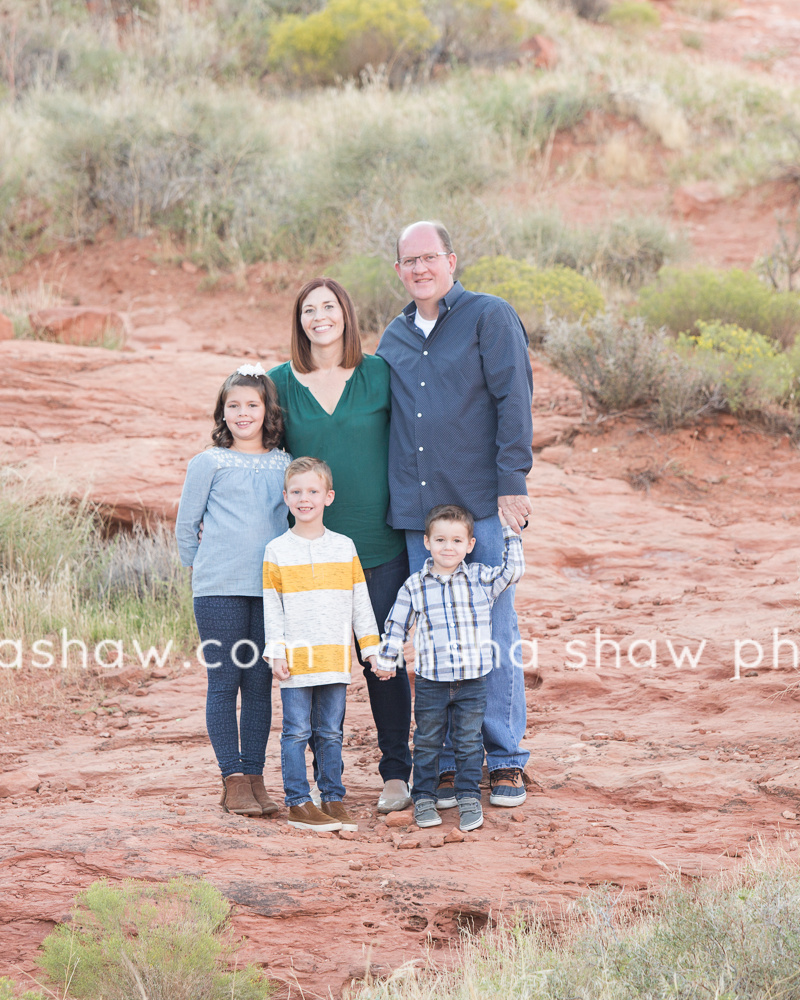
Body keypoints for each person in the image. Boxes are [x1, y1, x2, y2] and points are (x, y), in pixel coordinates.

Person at [377, 220, 534, 808]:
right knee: (435, 634)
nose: (420, 269)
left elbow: (514, 396)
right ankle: (444, 760)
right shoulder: (393, 336)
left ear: (451, 259)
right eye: (408, 261)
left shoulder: (487, 316)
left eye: (429, 258)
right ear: (398, 270)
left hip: (478, 508)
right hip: (420, 515)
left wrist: (513, 481)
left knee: (491, 628)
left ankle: (504, 760)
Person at [269, 278, 413, 814]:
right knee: (309, 667)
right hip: (310, 551)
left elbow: (415, 441)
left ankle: (397, 773)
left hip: (378, 541)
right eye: (310, 309)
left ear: (346, 315)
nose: (320, 317)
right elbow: (257, 448)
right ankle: (307, 786)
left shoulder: (378, 374)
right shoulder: (280, 382)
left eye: (329, 306)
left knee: (382, 660)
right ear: (299, 321)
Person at [176, 363, 292, 817]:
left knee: (260, 684)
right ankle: (232, 778)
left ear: (267, 410)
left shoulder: (283, 463)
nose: (243, 413)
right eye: (234, 406)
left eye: (252, 405)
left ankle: (255, 776)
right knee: (225, 681)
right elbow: (188, 525)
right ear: (222, 412)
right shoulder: (209, 462)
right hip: (219, 588)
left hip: (268, 590)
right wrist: (201, 567)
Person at [375, 504, 525, 832]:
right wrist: (387, 658)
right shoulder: (415, 585)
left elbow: (511, 573)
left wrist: (511, 534)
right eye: (440, 539)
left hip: (473, 681)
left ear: (470, 545)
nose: (448, 547)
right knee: (428, 738)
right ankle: (425, 796)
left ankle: (468, 794)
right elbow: (396, 623)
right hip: (432, 680)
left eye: (457, 541)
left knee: (469, 740)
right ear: (426, 542)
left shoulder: (480, 579)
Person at [263, 457, 381, 833]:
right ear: (285, 497)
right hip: (296, 661)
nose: (304, 498)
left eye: (313, 491)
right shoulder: (277, 550)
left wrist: (371, 648)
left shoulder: (344, 547)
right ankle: (299, 802)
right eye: (296, 492)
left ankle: (332, 798)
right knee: (296, 732)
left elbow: (360, 603)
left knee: (330, 732)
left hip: (333, 657)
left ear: (328, 497)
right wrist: (276, 652)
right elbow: (272, 606)